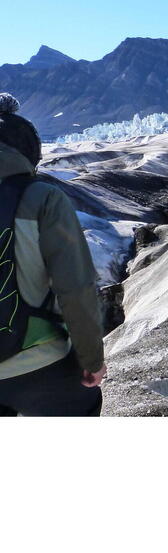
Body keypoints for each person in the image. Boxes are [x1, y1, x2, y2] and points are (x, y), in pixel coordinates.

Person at [0, 93, 106, 417]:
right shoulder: (43, 198)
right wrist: (92, 361)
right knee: (85, 405)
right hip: (35, 363)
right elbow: (76, 287)